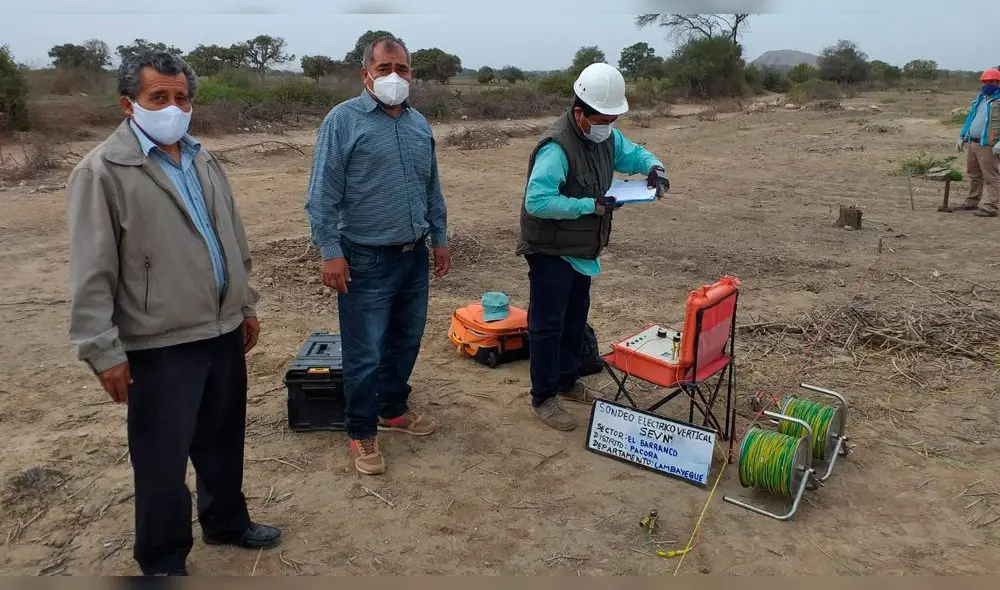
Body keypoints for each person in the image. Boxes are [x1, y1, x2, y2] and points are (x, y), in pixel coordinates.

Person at [66, 51, 280, 576]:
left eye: (181, 97)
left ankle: (226, 521)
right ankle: (162, 558)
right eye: (158, 97)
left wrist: (244, 304)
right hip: (157, 342)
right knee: (161, 461)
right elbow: (92, 270)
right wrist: (102, 350)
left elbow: (231, 238)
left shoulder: (202, 157)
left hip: (222, 329)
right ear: (128, 105)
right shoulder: (102, 172)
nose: (173, 107)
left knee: (222, 439)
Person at [305, 36, 450, 476]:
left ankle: (392, 410)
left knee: (406, 340)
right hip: (364, 257)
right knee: (365, 352)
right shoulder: (343, 121)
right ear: (365, 73)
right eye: (385, 68)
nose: (394, 77)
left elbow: (431, 187)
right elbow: (321, 195)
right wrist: (331, 251)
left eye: (402, 69)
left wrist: (439, 237)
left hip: (413, 256)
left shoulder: (418, 123)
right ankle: (361, 430)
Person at [515, 62, 669, 432]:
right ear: (579, 113)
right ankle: (544, 396)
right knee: (548, 323)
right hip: (550, 248)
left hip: (582, 248)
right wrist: (590, 205)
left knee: (574, 315)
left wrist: (654, 168)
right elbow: (537, 201)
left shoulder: (606, 137)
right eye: (603, 120)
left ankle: (567, 381)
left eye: (613, 120)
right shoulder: (556, 147)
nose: (609, 127)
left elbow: (635, 154)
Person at [956, 68, 1000, 217]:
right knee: (974, 174)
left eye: (991, 82)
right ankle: (972, 201)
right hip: (973, 143)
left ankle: (991, 207)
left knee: (991, 177)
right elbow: (971, 119)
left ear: (998, 83)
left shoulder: (998, 100)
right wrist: (962, 136)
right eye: (985, 82)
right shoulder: (980, 99)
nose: (987, 84)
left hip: (988, 144)